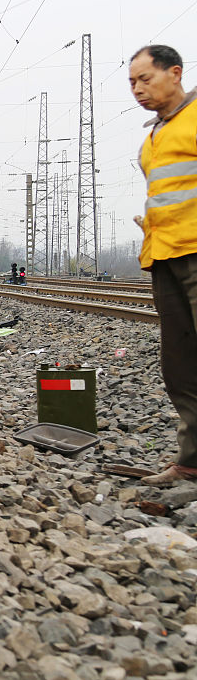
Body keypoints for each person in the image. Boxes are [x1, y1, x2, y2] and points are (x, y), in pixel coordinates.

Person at [126, 45, 197, 486]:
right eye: (132, 83)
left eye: (145, 79)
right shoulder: (151, 139)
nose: (137, 89)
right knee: (181, 365)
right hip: (165, 257)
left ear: (175, 73)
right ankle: (190, 462)